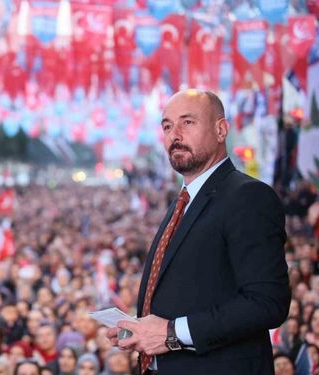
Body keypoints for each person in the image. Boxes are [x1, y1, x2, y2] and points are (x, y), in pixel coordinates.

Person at [107, 89, 290, 374]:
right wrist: (141, 329)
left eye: (187, 122)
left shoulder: (249, 197)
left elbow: (267, 303)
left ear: (221, 130)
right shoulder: (184, 200)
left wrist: (170, 332)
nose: (174, 134)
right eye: (167, 126)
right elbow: (194, 291)